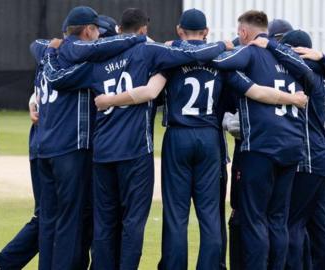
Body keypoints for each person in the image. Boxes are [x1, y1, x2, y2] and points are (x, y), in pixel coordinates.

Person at [91, 9, 307, 270]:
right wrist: (290, 97)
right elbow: (246, 95)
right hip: (209, 138)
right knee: (209, 214)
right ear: (206, 33)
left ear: (180, 30)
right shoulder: (220, 60)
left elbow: (151, 93)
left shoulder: (170, 60)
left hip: (178, 137)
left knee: (176, 214)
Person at [42, 7, 232, 269]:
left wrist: (50, 56)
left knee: (105, 221)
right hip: (137, 151)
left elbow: (60, 80)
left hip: (103, 151)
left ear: (119, 30)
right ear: (144, 30)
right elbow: (191, 53)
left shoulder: (97, 60)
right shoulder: (150, 52)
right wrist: (222, 45)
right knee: (134, 222)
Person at [30, 6, 147, 270]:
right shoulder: (87, 62)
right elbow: (68, 70)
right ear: (88, 31)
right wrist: (139, 38)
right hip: (71, 148)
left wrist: (50, 50)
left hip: (43, 146)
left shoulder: (47, 50)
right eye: (97, 33)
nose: (100, 40)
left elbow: (36, 45)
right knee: (71, 221)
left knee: (48, 219)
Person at [209, 10, 311, 270]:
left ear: (243, 32)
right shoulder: (288, 59)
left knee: (255, 219)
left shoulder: (249, 52)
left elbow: (221, 60)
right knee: (278, 219)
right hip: (292, 145)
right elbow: (309, 77)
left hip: (260, 147)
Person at [262, 29, 325, 270]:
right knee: (322, 225)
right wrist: (323, 57)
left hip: (308, 157)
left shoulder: (305, 74)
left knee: (293, 222)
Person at [0, 53, 46, 269]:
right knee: (50, 216)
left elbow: (37, 95)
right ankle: (2, 263)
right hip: (55, 149)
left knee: (47, 215)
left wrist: (32, 102)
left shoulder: (52, 60)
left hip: (41, 145)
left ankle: (2, 263)